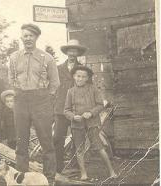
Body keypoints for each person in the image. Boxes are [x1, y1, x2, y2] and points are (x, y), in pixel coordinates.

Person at [9, 24, 59, 185]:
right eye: (25, 36)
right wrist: (19, 93)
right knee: (21, 141)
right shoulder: (14, 57)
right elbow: (11, 79)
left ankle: (49, 179)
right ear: (21, 38)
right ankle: (22, 179)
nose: (28, 38)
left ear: (36, 37)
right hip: (21, 100)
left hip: (41, 100)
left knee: (46, 141)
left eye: (31, 36)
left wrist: (45, 98)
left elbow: (55, 83)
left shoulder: (47, 58)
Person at [64, 65, 117, 181]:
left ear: (87, 78)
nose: (80, 79)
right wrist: (73, 117)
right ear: (74, 76)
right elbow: (66, 110)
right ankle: (84, 174)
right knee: (79, 149)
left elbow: (100, 105)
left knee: (98, 146)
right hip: (77, 125)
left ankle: (111, 171)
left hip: (92, 123)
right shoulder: (70, 92)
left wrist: (91, 113)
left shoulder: (93, 89)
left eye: (84, 77)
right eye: (78, 76)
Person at [53, 39, 87, 174]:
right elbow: (53, 87)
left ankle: (76, 166)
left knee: (77, 138)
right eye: (70, 50)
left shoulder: (83, 69)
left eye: (75, 50)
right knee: (57, 138)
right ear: (66, 52)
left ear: (78, 52)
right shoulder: (57, 69)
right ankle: (58, 167)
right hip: (60, 109)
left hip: (76, 110)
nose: (72, 53)